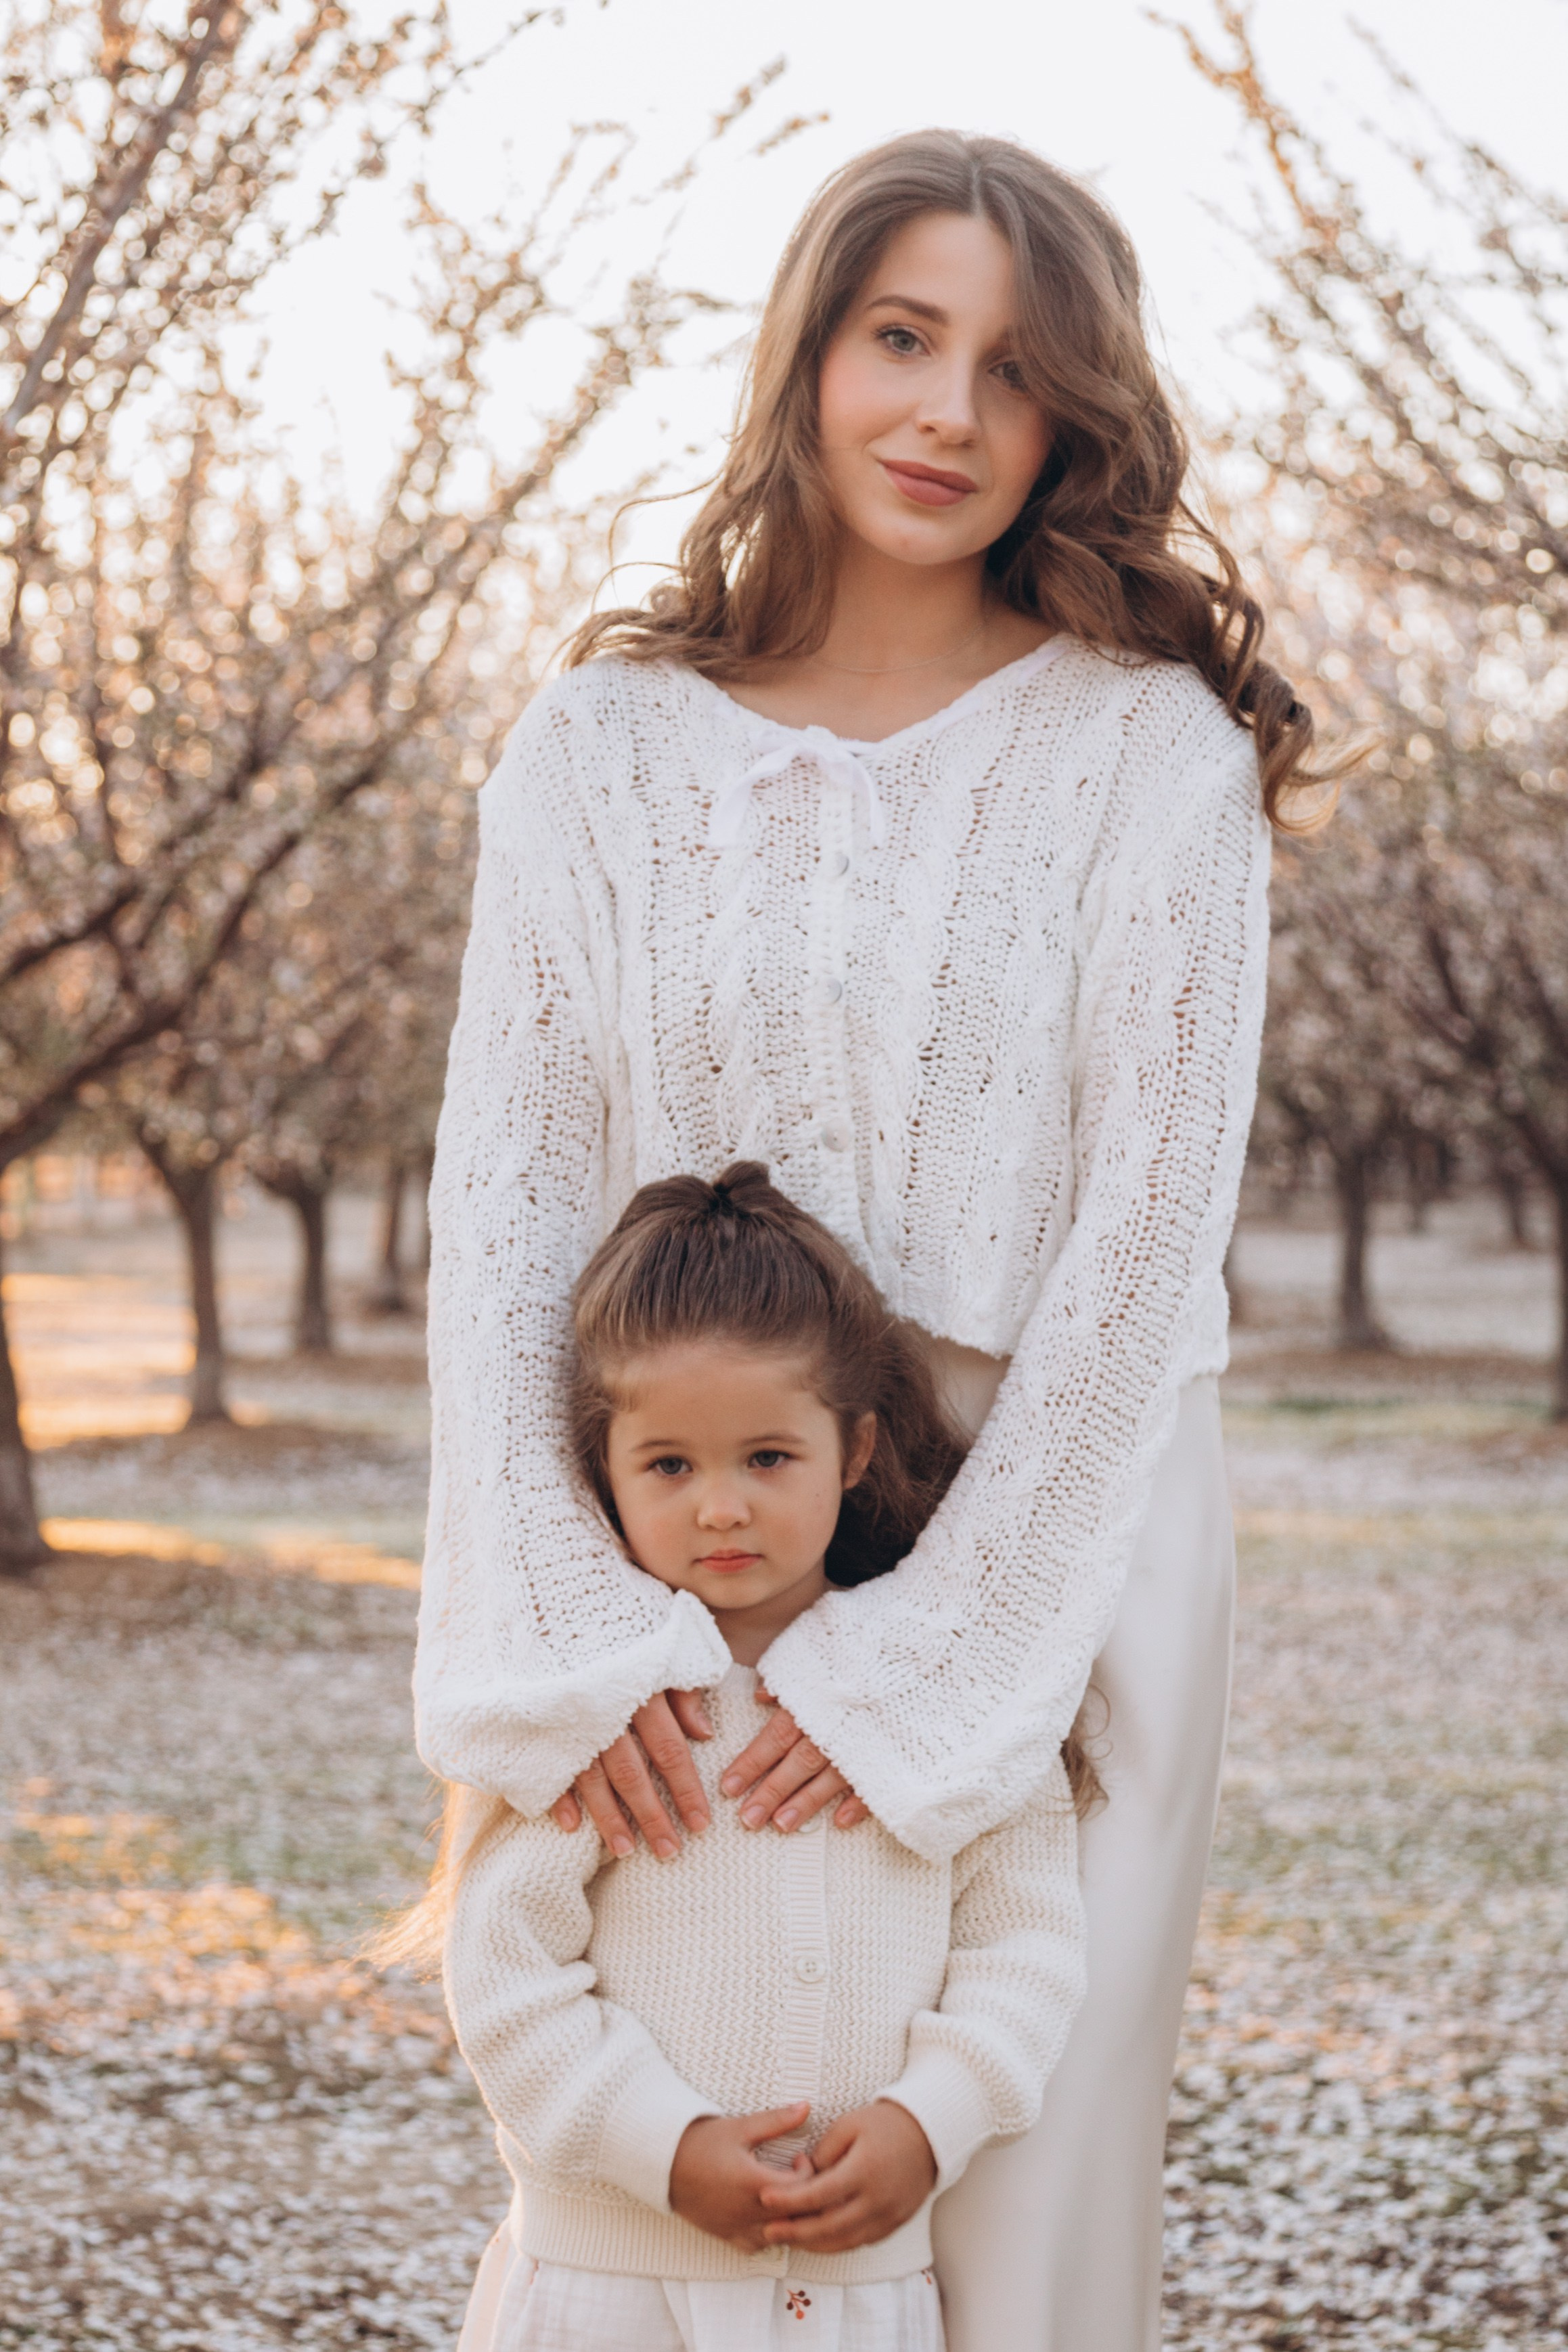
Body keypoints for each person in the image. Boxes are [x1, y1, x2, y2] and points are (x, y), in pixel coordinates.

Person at [416, 129, 1315, 2349]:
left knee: (1003, 2199)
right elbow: (503, 1213)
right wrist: (565, 1618)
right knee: (645, 2178)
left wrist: (928, 1663)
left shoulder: (1151, 759)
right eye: (896, 338)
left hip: (1056, 1521)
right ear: (804, 357)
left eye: (1011, 373)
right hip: (667, 1514)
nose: (941, 413)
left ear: (1071, 421)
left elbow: (1140, 1243)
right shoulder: (588, 750)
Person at [412, 1165, 1085, 2352]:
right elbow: (505, 1972)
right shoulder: (592, 1706)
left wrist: (931, 2121)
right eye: (669, 1466)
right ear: (605, 1474)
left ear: (856, 1447)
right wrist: (659, 2148)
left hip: (858, 2300)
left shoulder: (951, 1691)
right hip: (602, 2293)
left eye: (766, 1458)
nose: (719, 1508)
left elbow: (1024, 1943)